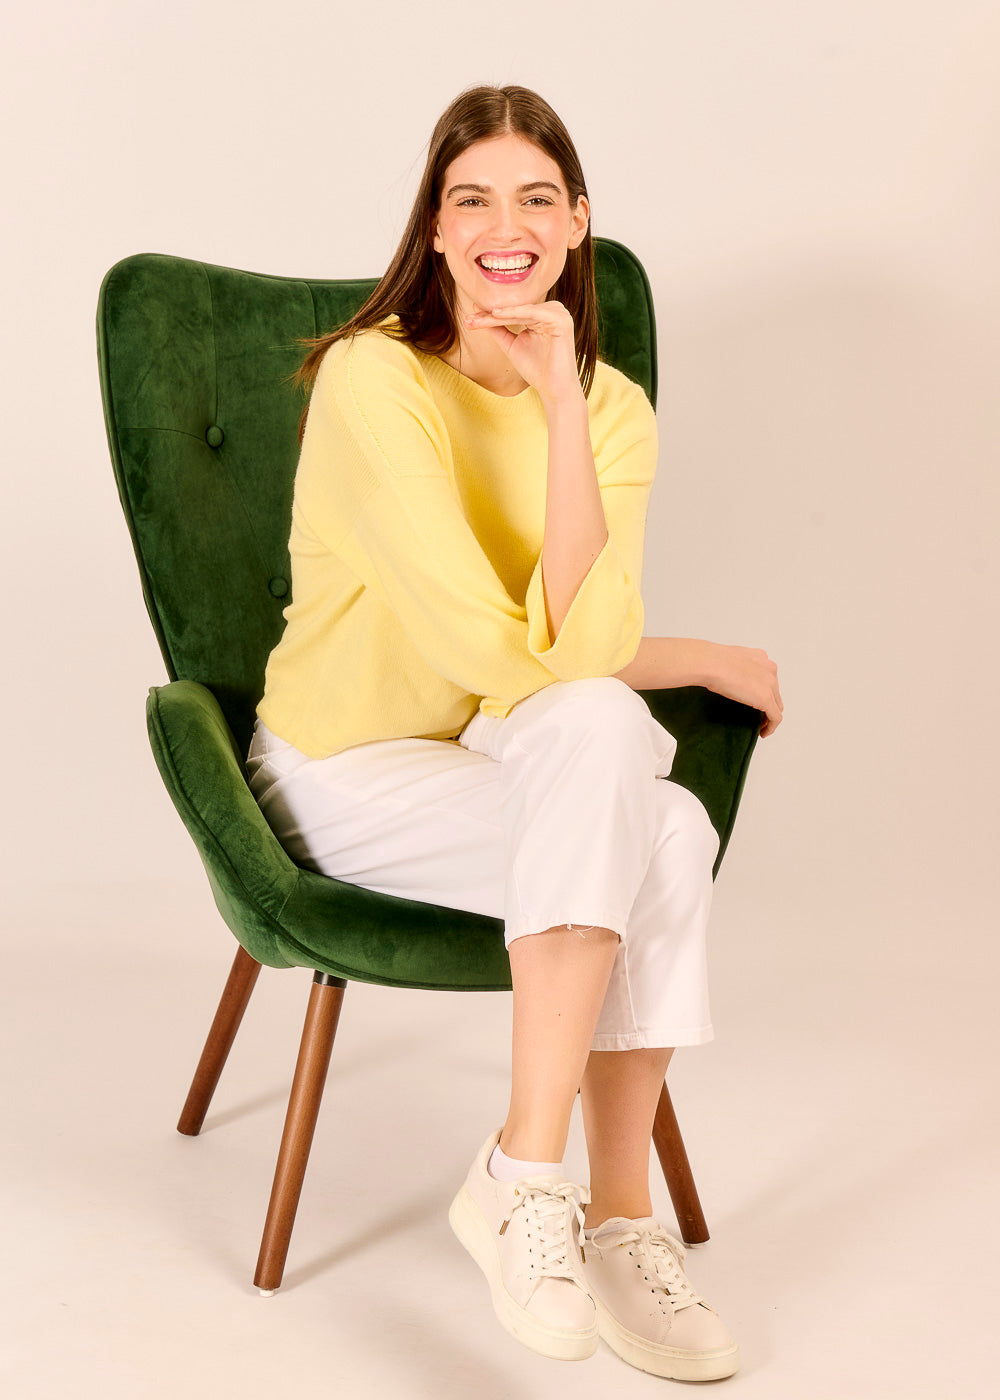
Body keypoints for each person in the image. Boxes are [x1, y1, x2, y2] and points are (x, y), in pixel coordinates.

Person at [245, 83, 782, 1382]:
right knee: (644, 804)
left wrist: (560, 406)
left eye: (537, 199)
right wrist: (699, 658)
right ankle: (554, 1189)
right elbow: (488, 646)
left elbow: (578, 645)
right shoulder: (375, 379)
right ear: (434, 227)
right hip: (338, 767)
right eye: (473, 199)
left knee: (632, 776)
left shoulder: (612, 411)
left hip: (471, 754)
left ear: (578, 222)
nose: (506, 227)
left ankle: (579, 1206)